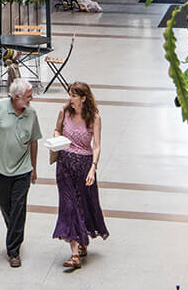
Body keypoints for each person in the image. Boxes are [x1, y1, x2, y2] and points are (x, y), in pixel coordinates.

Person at [0, 78, 41, 268]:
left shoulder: (31, 114)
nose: (31, 100)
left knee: (19, 208)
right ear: (16, 96)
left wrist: (34, 167)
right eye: (28, 97)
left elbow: (34, 141)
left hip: (22, 170)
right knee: (6, 207)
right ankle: (14, 231)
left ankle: (13, 250)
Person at [52, 81, 109, 270]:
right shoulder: (64, 112)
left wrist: (93, 167)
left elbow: (97, 145)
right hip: (65, 164)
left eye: (74, 95)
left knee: (84, 204)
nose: (70, 98)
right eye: (70, 94)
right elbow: (57, 129)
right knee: (69, 206)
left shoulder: (94, 117)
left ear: (84, 98)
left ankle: (82, 239)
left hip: (84, 166)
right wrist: (57, 139)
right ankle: (75, 254)